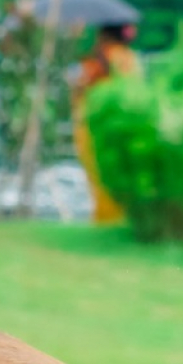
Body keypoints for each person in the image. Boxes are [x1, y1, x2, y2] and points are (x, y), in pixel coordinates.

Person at [69, 21, 139, 226]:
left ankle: (107, 219)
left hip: (96, 127)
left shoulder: (106, 58)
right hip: (120, 125)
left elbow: (82, 92)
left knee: (101, 178)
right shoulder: (128, 57)